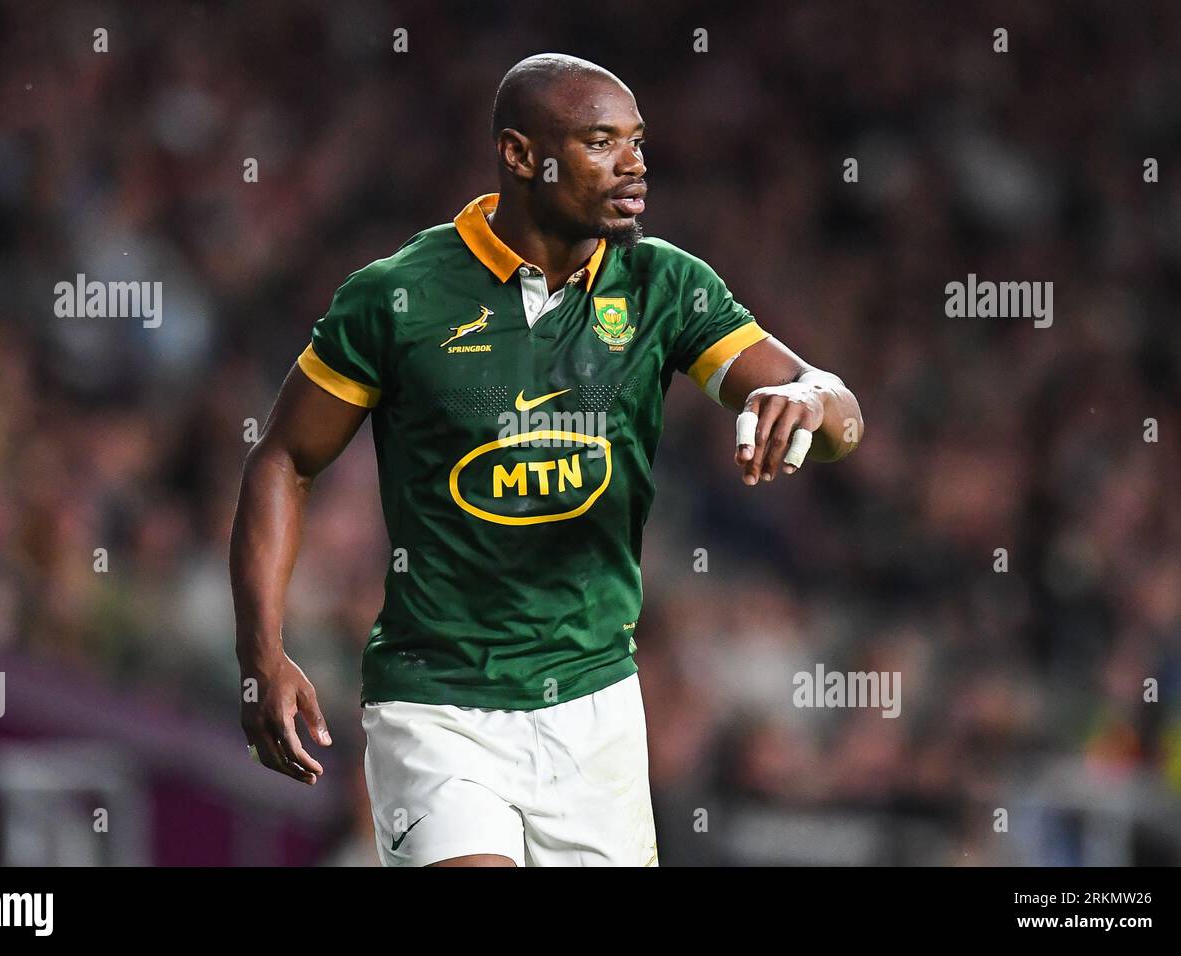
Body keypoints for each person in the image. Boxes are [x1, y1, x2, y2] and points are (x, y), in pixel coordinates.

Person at [229, 53, 864, 867]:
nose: (635, 164)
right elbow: (284, 457)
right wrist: (262, 653)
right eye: (602, 142)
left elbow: (836, 411)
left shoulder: (662, 287)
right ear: (522, 155)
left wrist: (809, 401)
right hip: (439, 703)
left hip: (595, 708)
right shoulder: (398, 298)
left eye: (637, 141)